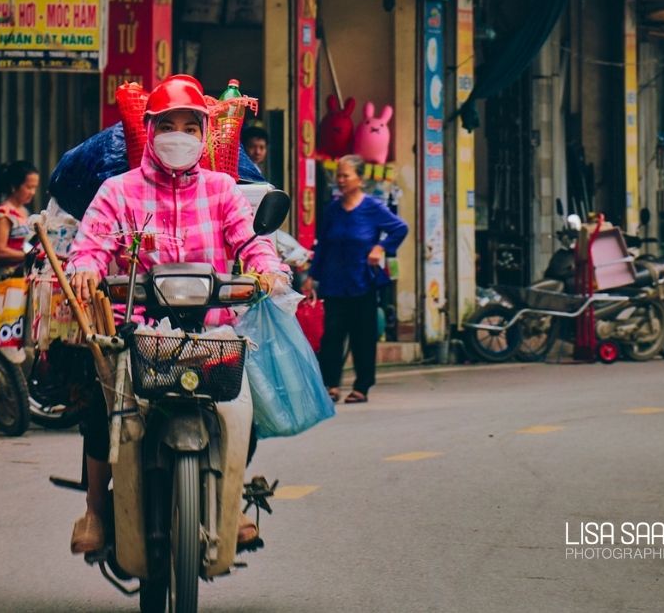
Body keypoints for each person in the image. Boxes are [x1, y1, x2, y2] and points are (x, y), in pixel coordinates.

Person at [65, 73, 286, 556]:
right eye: (169, 125)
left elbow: (251, 241)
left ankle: (231, 503)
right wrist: (84, 269)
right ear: (150, 129)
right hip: (137, 331)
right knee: (104, 409)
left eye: (191, 127)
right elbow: (92, 243)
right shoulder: (118, 192)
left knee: (244, 411)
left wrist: (268, 270)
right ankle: (96, 512)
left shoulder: (223, 190)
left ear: (204, 135)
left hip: (212, 331)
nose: (179, 136)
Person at [309, 155, 408, 404]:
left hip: (362, 282)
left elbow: (400, 228)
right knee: (331, 336)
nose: (340, 180)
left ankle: (362, 386)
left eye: (346, 176)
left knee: (362, 337)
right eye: (338, 176)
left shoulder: (372, 208)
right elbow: (323, 246)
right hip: (334, 283)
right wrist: (312, 276)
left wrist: (381, 248)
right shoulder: (332, 210)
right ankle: (330, 384)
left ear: (360, 179)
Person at [0, 161, 40, 271]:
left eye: (35, 188)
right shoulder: (4, 213)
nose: (32, 192)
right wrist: (29, 256)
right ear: (14, 186)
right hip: (9, 277)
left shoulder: (25, 212)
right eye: (29, 187)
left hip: (24, 274)